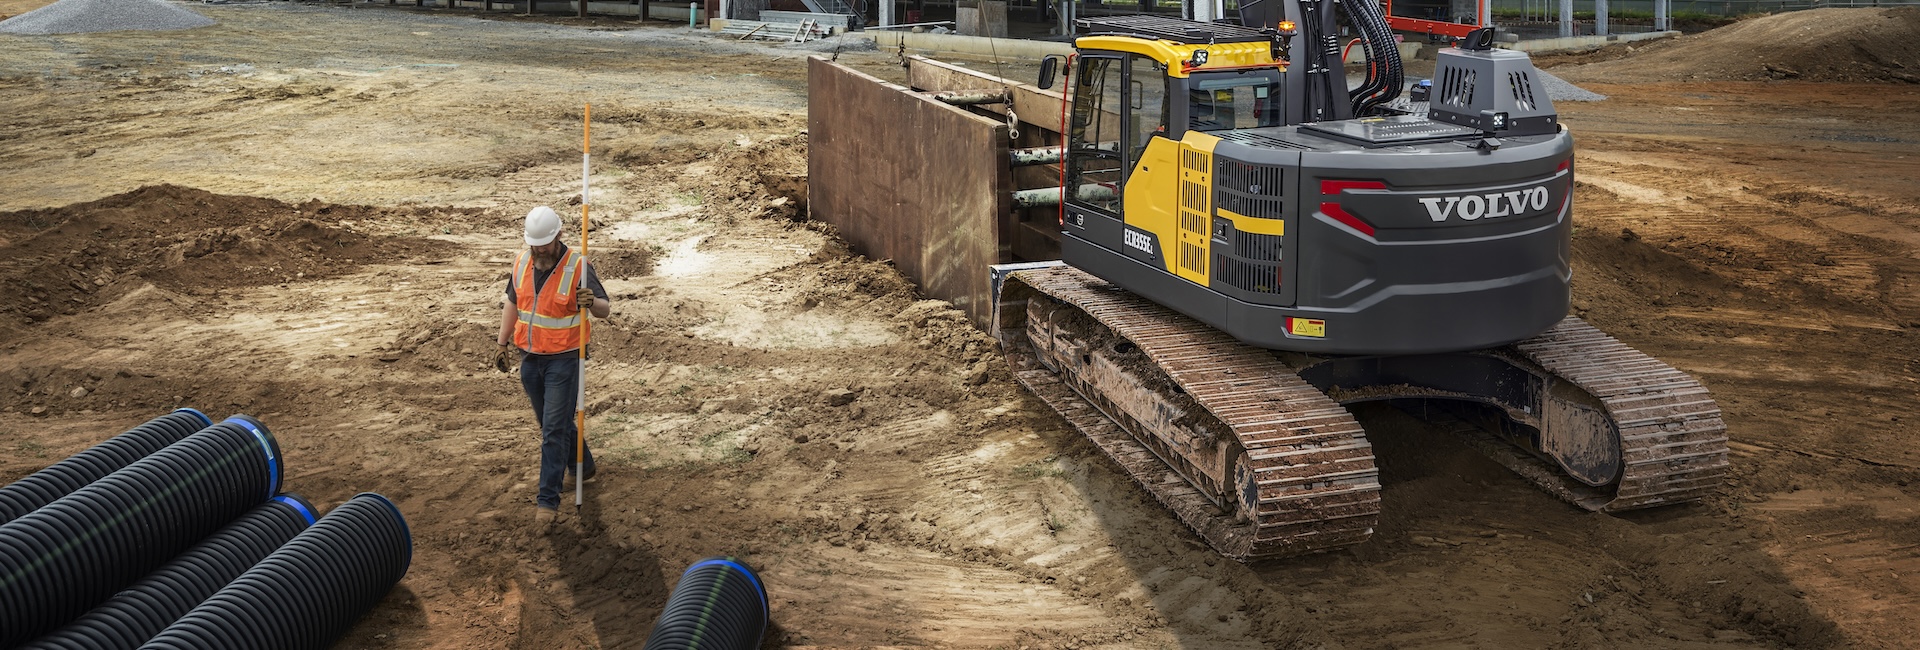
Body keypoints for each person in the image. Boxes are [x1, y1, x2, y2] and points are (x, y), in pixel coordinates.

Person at [493, 206, 611, 533]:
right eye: (535, 244)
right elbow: (513, 303)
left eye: (544, 243)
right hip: (529, 357)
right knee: (553, 422)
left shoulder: (579, 266)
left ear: (558, 236)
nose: (539, 249)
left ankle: (547, 501)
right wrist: (502, 343)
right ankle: (583, 465)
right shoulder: (520, 263)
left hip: (565, 358)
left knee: (552, 430)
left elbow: (605, 309)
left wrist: (591, 302)